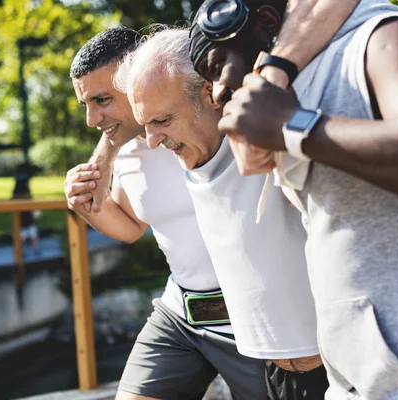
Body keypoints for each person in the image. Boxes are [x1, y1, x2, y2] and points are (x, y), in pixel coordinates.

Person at [193, 0, 398, 398]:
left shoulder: (388, 38)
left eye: (216, 66)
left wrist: (293, 126)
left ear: (264, 22)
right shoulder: (299, 82)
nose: (218, 91)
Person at [117, 27, 333, 399]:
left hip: (333, 367)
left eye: (163, 121)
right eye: (145, 123)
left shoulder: (266, 135)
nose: (152, 139)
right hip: (273, 370)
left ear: (211, 94)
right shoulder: (191, 151)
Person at [65, 28, 267, 400]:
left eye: (103, 99)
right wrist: (89, 205)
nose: (92, 118)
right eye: (86, 104)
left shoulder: (207, 119)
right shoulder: (128, 150)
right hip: (181, 317)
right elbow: (129, 226)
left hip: (256, 317)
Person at [12, 179, 39, 254]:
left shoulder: (24, 198)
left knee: (33, 236)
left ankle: (30, 250)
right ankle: (22, 251)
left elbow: (35, 211)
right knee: (25, 238)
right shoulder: (24, 198)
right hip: (24, 224)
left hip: (26, 223)